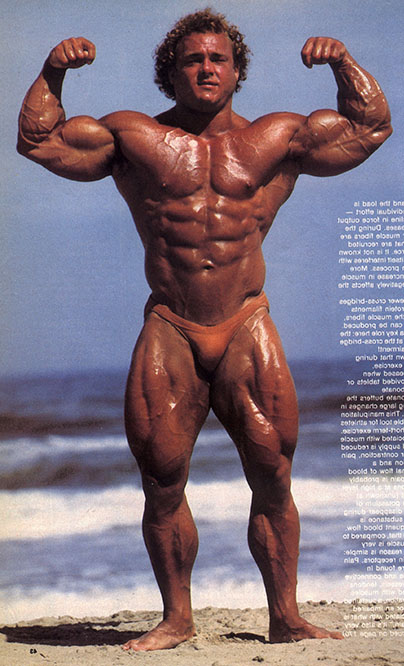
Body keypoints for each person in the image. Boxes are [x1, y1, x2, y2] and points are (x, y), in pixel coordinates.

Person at [17, 8, 391, 652]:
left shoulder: (278, 138)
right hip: (171, 325)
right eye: (193, 59)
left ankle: (286, 617)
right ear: (171, 73)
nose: (207, 68)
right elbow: (39, 140)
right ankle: (176, 619)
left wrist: (342, 62)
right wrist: (53, 70)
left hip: (247, 320)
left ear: (238, 71)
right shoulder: (132, 137)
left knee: (273, 474)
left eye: (219, 59)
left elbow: (370, 128)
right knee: (162, 478)